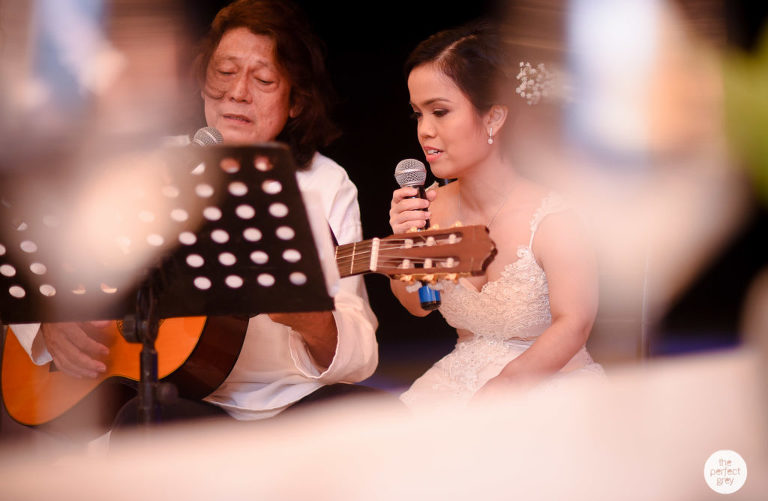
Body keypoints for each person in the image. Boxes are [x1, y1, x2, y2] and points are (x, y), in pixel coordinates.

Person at [9, 0, 379, 433]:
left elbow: (361, 348)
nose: (239, 92)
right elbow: (33, 232)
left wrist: (309, 319)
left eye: (263, 79)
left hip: (290, 402)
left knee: (378, 418)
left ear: (296, 101)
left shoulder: (326, 182)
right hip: (180, 398)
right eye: (224, 73)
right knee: (141, 427)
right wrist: (48, 319)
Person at [388, 20, 604, 412]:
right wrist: (405, 247)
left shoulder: (554, 217)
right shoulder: (429, 208)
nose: (425, 131)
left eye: (439, 112)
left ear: (494, 117)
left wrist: (506, 387)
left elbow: (574, 324)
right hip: (456, 383)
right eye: (418, 114)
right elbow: (420, 306)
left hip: (547, 386)